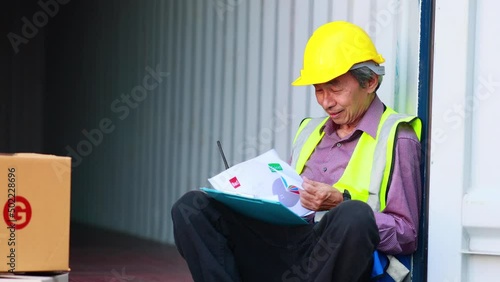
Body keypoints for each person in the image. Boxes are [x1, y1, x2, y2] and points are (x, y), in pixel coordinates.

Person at [171, 21, 422, 282]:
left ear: (369, 82)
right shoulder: (309, 131)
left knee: (354, 215)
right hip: (283, 244)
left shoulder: (397, 137)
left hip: (329, 257)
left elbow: (407, 234)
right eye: (318, 90)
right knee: (192, 207)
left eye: (335, 87)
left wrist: (340, 203)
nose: (326, 101)